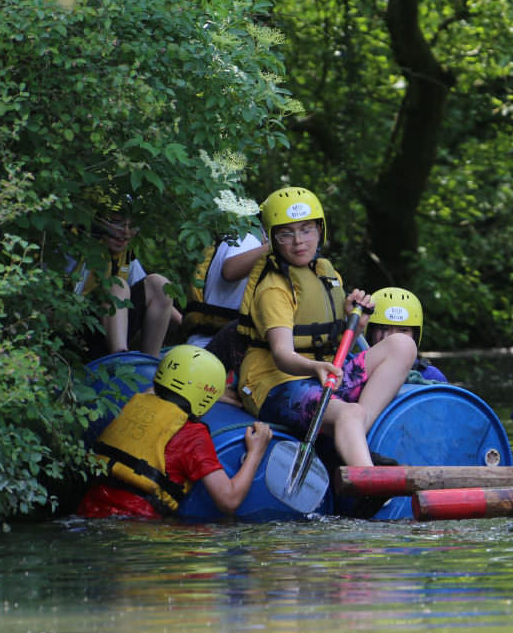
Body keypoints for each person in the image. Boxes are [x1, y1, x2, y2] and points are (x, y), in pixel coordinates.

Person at [234, 187, 417, 468]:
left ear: (320, 230)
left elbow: (336, 343)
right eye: (287, 233)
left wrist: (356, 325)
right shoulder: (273, 288)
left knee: (402, 345)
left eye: (306, 230)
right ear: (272, 238)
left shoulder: (326, 273)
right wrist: (315, 369)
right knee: (349, 414)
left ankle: (352, 436)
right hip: (278, 384)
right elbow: (282, 354)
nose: (298, 241)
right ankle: (366, 477)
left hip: (327, 374)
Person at [79, 345, 272, 519]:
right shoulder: (192, 435)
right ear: (206, 395)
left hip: (88, 508)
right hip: (137, 523)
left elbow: (157, 390)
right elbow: (229, 501)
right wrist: (255, 452)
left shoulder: (137, 402)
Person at [67, 199, 182, 360]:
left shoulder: (126, 256)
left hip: (106, 330)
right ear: (97, 221)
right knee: (118, 284)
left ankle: (150, 362)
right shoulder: (73, 247)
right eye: (116, 223)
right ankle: (121, 360)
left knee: (159, 284)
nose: (126, 232)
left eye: (131, 225)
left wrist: (188, 328)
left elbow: (154, 296)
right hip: (75, 328)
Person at [180, 230, 266, 348]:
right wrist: (276, 246)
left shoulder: (233, 236)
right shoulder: (247, 239)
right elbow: (230, 271)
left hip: (200, 344)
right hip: (217, 346)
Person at [365, 286, 448, 384]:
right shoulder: (354, 371)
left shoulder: (430, 376)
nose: (394, 337)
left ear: (415, 336)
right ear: (371, 332)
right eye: (384, 329)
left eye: (403, 330)